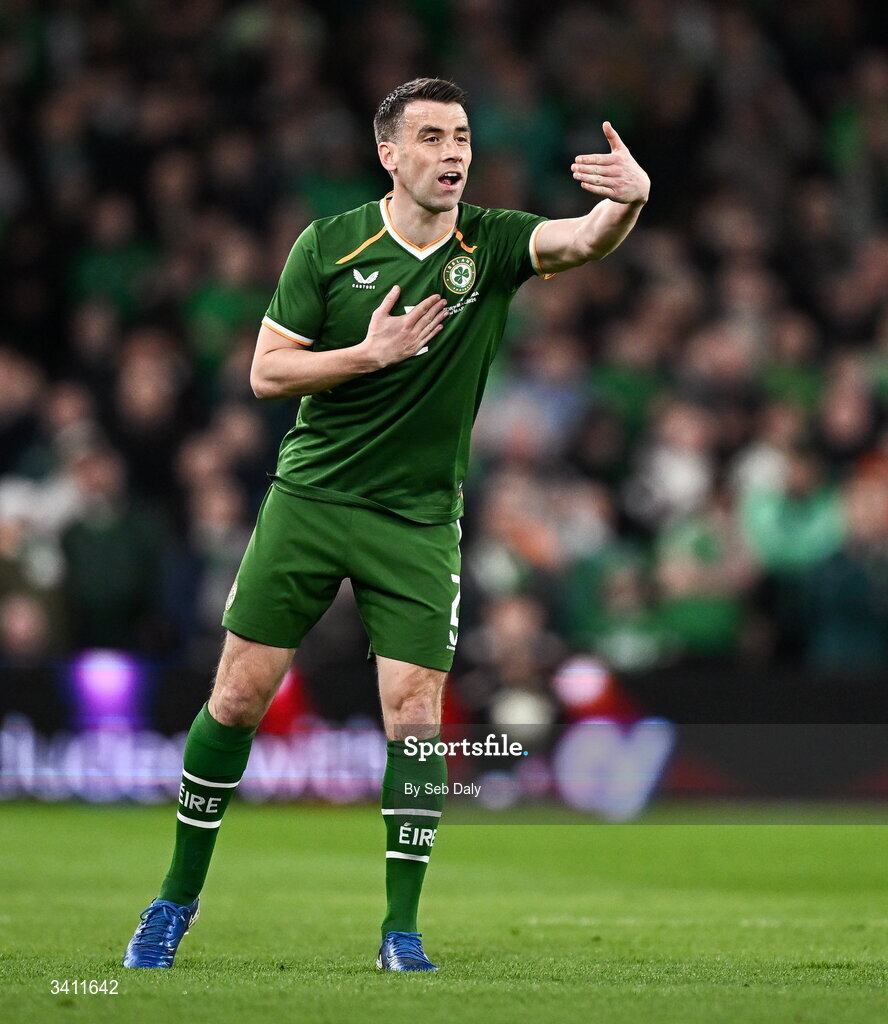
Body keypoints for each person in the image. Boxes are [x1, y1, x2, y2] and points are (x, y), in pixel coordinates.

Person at [122, 77, 649, 972]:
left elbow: (582, 240)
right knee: (238, 699)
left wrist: (628, 203)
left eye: (463, 137)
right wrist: (366, 355)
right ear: (389, 154)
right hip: (313, 498)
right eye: (433, 137)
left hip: (418, 519)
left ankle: (400, 931)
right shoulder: (329, 245)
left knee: (414, 715)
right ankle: (173, 902)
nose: (454, 153)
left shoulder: (491, 241)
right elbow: (265, 373)